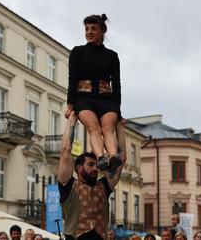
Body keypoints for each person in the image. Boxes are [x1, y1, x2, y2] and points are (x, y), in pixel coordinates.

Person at [65, 13, 122, 174]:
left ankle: (113, 158)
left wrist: (118, 111)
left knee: (108, 127)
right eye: (87, 29)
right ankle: (101, 157)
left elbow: (117, 84)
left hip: (107, 98)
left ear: (102, 31)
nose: (89, 32)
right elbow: (72, 80)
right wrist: (70, 106)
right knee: (94, 127)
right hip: (84, 98)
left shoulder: (112, 56)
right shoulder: (77, 52)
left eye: (93, 29)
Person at [58, 111, 126, 240]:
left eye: (96, 165)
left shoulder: (104, 186)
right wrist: (72, 119)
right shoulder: (68, 184)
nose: (95, 168)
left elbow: (121, 160)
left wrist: (119, 127)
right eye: (90, 165)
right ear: (79, 168)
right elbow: (66, 150)